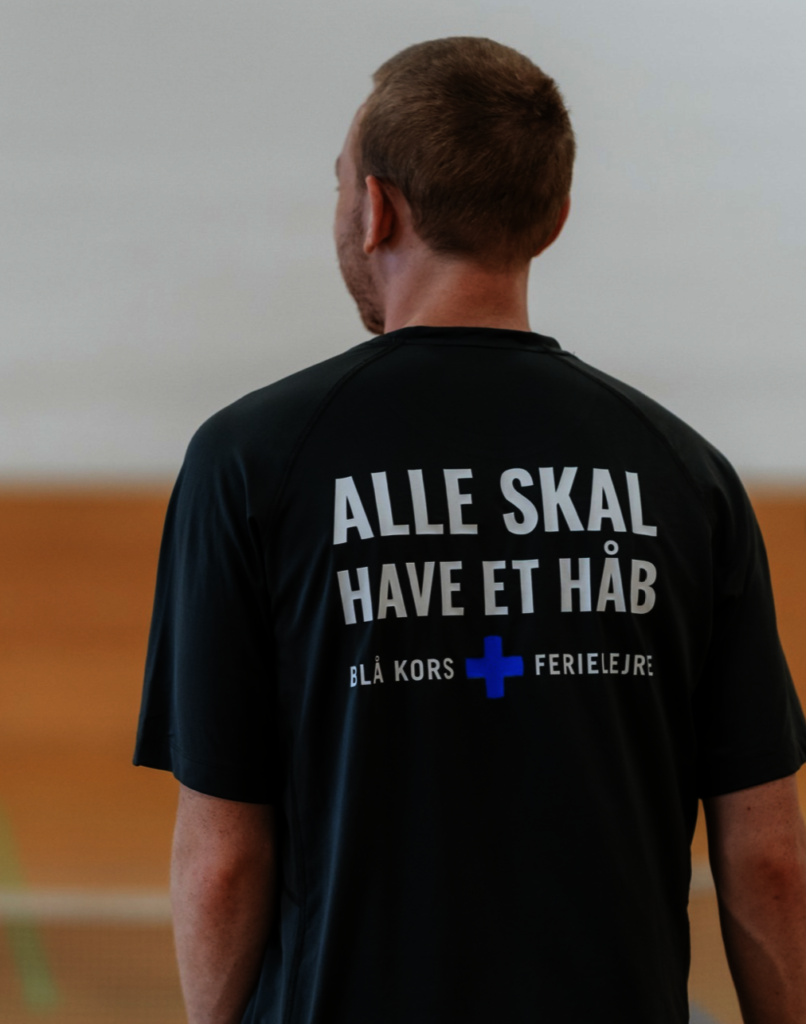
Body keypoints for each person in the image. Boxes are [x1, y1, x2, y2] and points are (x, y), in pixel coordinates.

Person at [135, 36, 806, 1024]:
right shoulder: (684, 471)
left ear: (376, 208)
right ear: (554, 219)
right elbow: (768, 852)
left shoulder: (250, 460)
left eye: (339, 185)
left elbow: (224, 855)